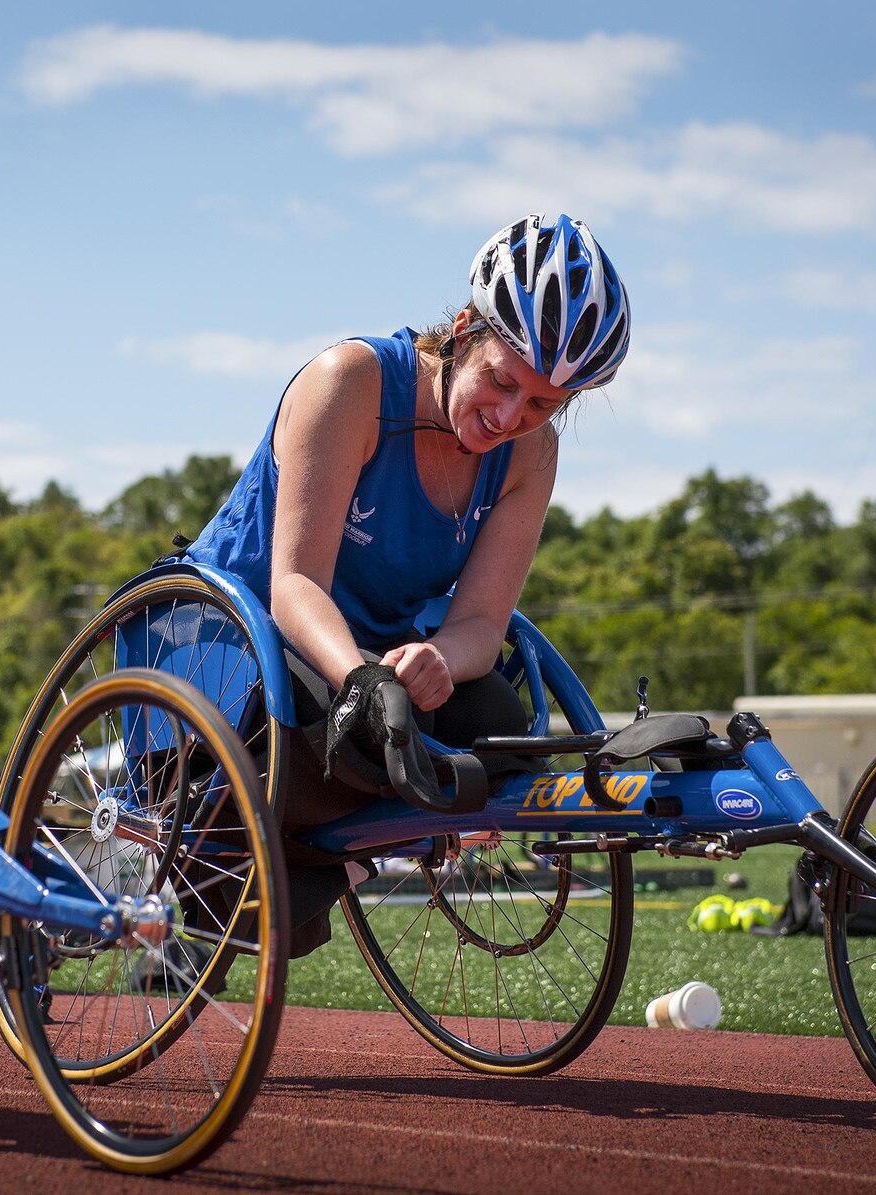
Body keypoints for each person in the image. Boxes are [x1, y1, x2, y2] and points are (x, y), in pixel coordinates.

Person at [184, 213, 632, 952]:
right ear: (462, 329)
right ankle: (237, 856)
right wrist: (363, 677)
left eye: (543, 405)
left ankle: (338, 857)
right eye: (501, 380)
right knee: (358, 720)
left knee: (497, 718)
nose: (510, 416)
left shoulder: (530, 455)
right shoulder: (353, 382)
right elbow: (292, 584)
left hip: (372, 652)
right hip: (240, 639)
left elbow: (484, 626)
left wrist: (436, 661)